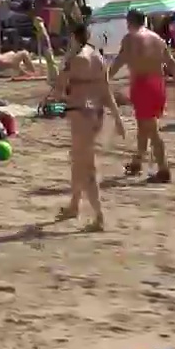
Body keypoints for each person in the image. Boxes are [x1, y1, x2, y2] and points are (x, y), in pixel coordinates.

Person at [52, 23, 125, 232]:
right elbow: (106, 89)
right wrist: (118, 117)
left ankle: (99, 216)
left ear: (74, 38)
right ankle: (74, 205)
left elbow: (57, 88)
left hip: (80, 112)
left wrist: (63, 61)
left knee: (85, 165)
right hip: (96, 113)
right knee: (78, 160)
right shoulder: (98, 57)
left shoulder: (76, 60)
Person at [110, 9, 175, 183]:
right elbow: (171, 62)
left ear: (129, 22)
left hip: (143, 85)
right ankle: (137, 161)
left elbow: (119, 61)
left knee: (151, 129)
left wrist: (104, 78)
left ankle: (164, 168)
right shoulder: (157, 39)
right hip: (158, 84)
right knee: (144, 126)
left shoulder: (130, 38)